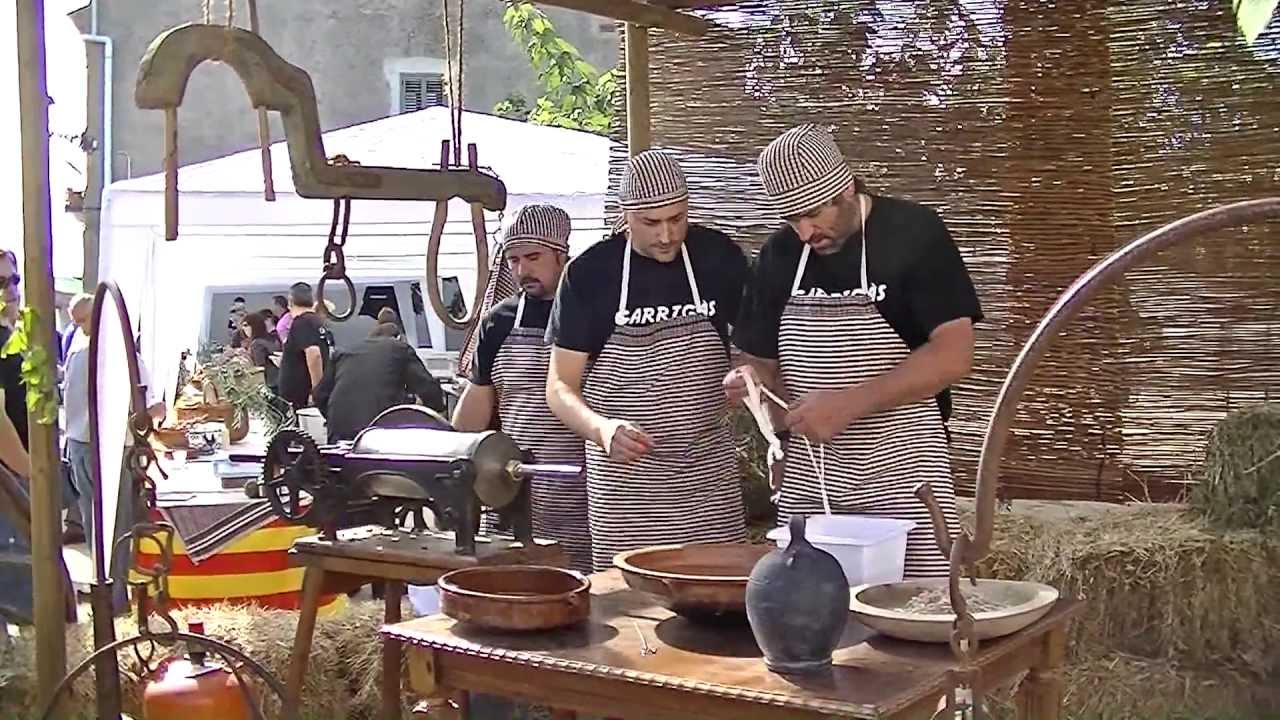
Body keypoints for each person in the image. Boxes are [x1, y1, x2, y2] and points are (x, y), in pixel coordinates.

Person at [726, 124, 982, 579]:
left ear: (845, 186)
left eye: (811, 213)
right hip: (810, 475)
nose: (805, 231)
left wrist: (848, 404)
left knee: (918, 606)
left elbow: (952, 355)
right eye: (791, 218)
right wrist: (752, 389)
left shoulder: (913, 234)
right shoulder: (779, 257)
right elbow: (757, 361)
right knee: (807, 608)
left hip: (904, 472)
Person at [545, 150, 749, 571]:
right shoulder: (590, 274)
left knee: (719, 600)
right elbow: (559, 387)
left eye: (677, 218)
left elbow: (748, 351)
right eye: (651, 223)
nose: (667, 235)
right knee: (632, 611)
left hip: (708, 479)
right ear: (626, 215)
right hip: (627, 490)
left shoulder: (719, 258)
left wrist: (744, 374)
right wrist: (601, 430)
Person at [451, 204, 591, 572]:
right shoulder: (499, 322)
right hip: (509, 485)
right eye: (513, 259)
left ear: (562, 255)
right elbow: (476, 406)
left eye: (533, 257)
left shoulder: (593, 313)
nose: (521, 270)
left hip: (580, 490)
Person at [313, 321, 445, 443]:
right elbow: (429, 389)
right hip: (379, 435)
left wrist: (335, 418)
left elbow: (319, 395)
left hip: (339, 433)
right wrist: (439, 413)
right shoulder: (399, 349)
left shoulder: (344, 351)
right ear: (398, 337)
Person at [277, 283, 332, 410]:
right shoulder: (316, 322)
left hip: (300, 398)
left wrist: (316, 391)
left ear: (290, 301)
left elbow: (314, 354)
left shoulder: (302, 322)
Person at [241, 311, 282, 393]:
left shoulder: (256, 344)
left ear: (254, 325)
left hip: (268, 382)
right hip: (279, 379)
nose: (243, 329)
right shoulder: (272, 338)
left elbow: (259, 366)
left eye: (246, 325)